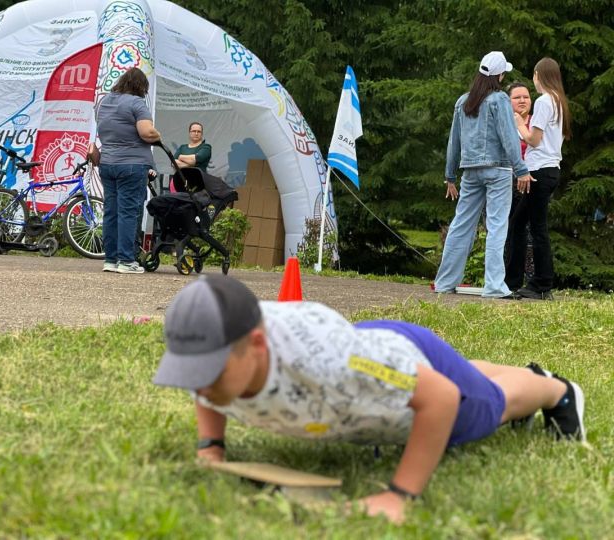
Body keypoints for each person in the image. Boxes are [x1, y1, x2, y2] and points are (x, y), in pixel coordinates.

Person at [153, 275, 586, 524]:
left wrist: (399, 496)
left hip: (395, 354)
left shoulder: (331, 360)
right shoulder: (224, 350)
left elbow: (440, 395)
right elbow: (206, 389)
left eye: (210, 372)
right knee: (454, 376)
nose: (200, 386)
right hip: (377, 354)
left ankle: (554, 389)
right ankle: (473, 368)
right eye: (192, 372)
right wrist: (211, 448)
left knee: (487, 405)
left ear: (257, 344)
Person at [434, 51, 533, 299]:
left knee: (461, 224)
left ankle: (445, 282)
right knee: (497, 226)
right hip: (498, 170)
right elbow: (509, 138)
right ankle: (493, 286)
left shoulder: (463, 102)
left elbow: (453, 142)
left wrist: (450, 176)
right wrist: (521, 169)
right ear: (500, 75)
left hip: (470, 172)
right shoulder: (499, 100)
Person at [505, 58, 571, 300]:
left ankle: (541, 284)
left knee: (536, 228)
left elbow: (533, 140)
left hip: (540, 171)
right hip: (550, 169)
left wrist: (520, 123)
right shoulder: (559, 101)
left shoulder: (544, 101)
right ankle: (517, 281)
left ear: (537, 75)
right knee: (519, 223)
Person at [96, 67, 161, 274]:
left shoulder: (105, 102)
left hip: (107, 163)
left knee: (111, 213)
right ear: (141, 87)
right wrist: (158, 135)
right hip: (132, 165)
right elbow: (146, 133)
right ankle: (126, 260)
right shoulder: (136, 103)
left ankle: (111, 259)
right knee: (128, 213)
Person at [504, 82, 535, 286]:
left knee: (523, 231)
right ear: (508, 101)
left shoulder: (534, 122)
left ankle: (518, 280)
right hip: (505, 181)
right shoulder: (503, 122)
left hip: (529, 181)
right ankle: (503, 278)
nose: (523, 100)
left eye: (526, 96)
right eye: (517, 97)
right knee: (505, 230)